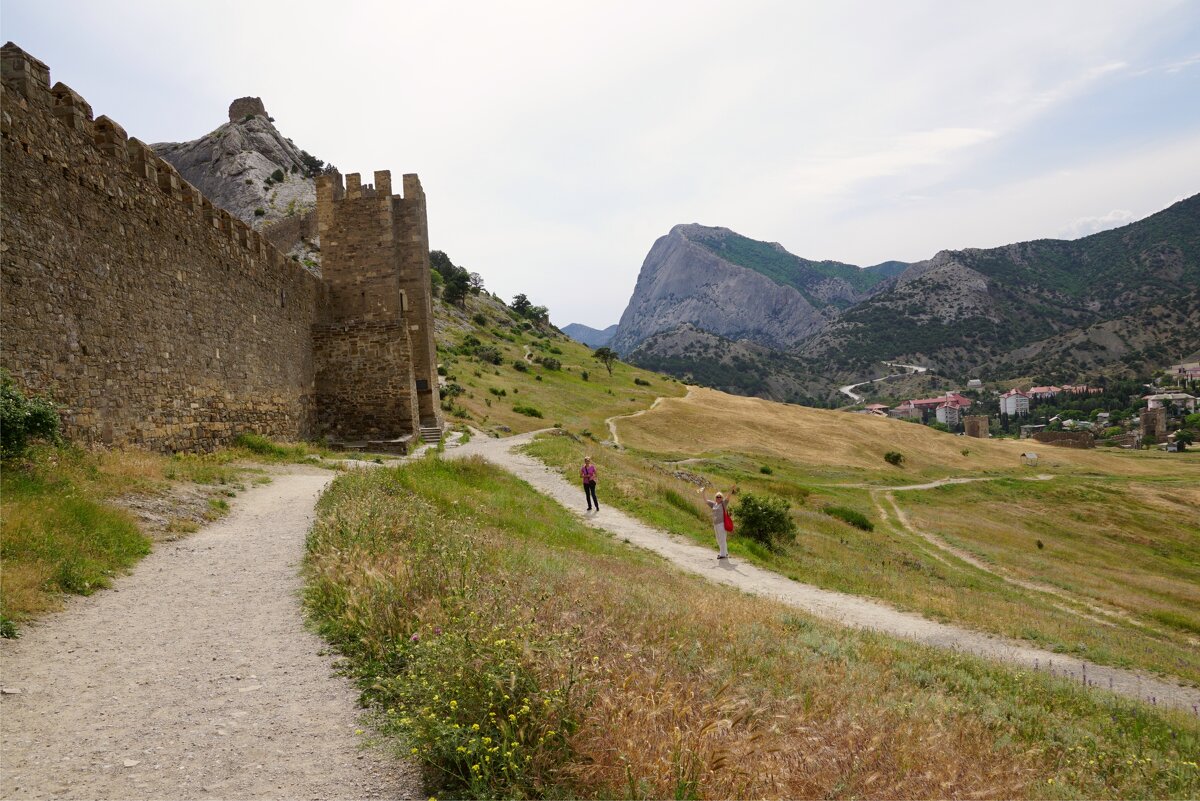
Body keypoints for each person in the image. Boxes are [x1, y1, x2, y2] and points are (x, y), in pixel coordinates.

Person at [701, 486, 736, 559]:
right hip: (715, 524)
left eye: (720, 497)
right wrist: (703, 492)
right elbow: (706, 501)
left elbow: (728, 497)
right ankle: (725, 553)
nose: (719, 498)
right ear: (715, 498)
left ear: (722, 498)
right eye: (717, 497)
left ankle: (722, 554)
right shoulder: (714, 504)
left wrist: (731, 490)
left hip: (722, 524)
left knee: (722, 539)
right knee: (718, 539)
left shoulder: (724, 503)